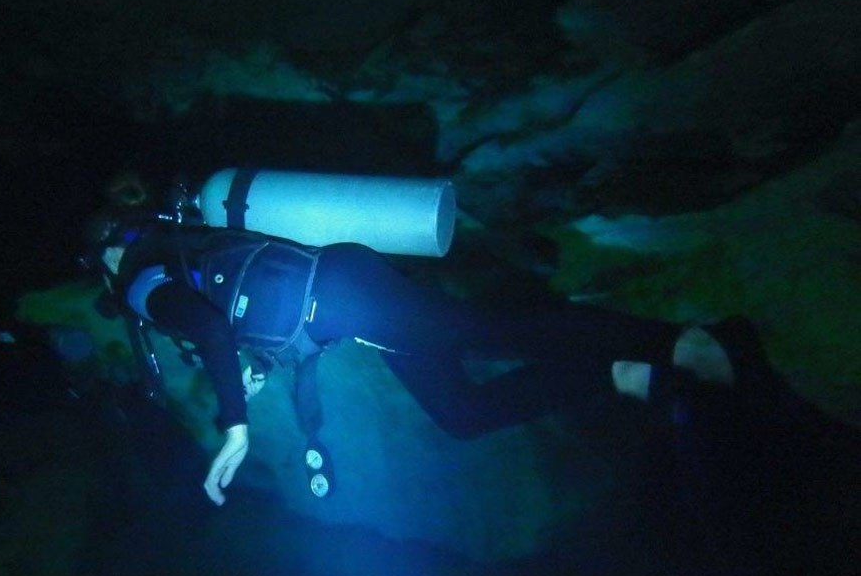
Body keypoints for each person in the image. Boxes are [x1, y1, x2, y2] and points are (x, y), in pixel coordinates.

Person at [85, 212, 739, 506]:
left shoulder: (143, 284)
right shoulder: (180, 250)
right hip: (348, 299)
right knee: (460, 410)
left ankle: (671, 342)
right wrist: (257, 369)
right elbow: (238, 316)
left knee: (491, 331)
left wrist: (234, 420)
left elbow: (203, 324)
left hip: (345, 298)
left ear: (108, 262)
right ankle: (620, 370)